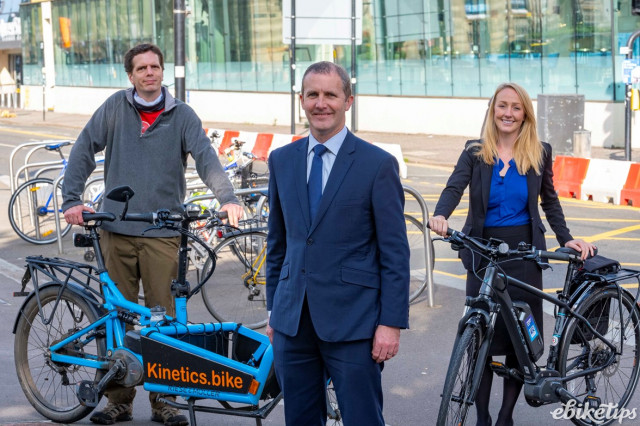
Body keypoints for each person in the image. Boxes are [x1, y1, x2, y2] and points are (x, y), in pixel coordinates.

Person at [61, 43, 244, 426]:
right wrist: (71, 198)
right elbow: (82, 149)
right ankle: (119, 402)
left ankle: (165, 402)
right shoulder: (115, 107)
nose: (149, 73)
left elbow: (207, 157)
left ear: (163, 71)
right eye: (141, 68)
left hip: (162, 233)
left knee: (164, 321)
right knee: (118, 318)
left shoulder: (181, 115)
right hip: (116, 230)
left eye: (155, 66)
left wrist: (227, 199)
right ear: (130, 75)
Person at [428, 82, 596, 426]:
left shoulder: (539, 151)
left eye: (516, 108)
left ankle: (505, 416)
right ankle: (483, 417)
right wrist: (441, 214)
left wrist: (568, 239)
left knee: (519, 342)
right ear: (492, 110)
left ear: (525, 115)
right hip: (483, 253)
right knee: (480, 342)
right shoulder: (475, 151)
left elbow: (549, 201)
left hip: (524, 253)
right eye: (502, 106)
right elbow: (454, 186)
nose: (508, 113)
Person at [265, 61, 410, 426]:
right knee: (299, 419)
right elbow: (278, 243)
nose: (321, 103)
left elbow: (394, 252)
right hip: (292, 323)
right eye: (312, 94)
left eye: (331, 94)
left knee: (362, 419)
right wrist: (274, 310)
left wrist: (390, 323)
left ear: (348, 100)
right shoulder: (282, 160)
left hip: (354, 324)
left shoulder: (377, 164)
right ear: (301, 100)